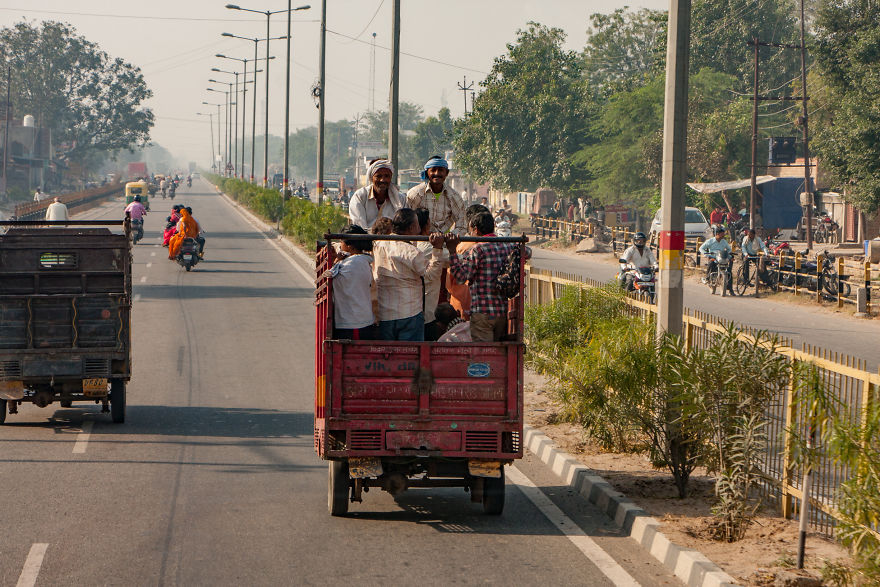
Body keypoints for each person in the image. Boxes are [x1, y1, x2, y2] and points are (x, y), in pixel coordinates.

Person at [447, 211, 526, 342]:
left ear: (475, 230)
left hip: (482, 313)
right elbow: (525, 252)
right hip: (502, 312)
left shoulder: (478, 249)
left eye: (471, 230)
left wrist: (452, 251)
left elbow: (461, 277)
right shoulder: (507, 246)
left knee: (483, 356)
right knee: (497, 356)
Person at [372, 208, 445, 341]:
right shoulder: (411, 252)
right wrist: (438, 250)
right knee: (411, 358)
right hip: (409, 314)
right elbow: (430, 275)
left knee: (388, 358)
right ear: (412, 227)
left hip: (386, 315)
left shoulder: (379, 245)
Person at [327, 225, 379, 340]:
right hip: (361, 322)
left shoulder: (351, 264)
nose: (340, 246)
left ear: (349, 246)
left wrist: (336, 260)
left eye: (341, 242)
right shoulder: (362, 262)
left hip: (353, 325)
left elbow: (329, 279)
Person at [446, 204, 490, 318]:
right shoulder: (497, 246)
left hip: (460, 303)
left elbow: (450, 281)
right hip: (487, 308)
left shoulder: (460, 247)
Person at [406, 156, 466, 234]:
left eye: (440, 170)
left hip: (444, 243)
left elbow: (462, 226)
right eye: (433, 170)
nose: (437, 173)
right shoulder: (415, 194)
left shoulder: (454, 197)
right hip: (419, 241)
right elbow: (406, 222)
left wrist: (449, 238)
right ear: (427, 172)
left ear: (446, 173)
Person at [414, 207, 448, 322]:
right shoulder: (428, 247)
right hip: (427, 309)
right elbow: (454, 259)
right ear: (427, 224)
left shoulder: (412, 245)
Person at [349, 159, 402, 230]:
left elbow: (402, 227)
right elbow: (360, 227)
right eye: (378, 176)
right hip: (365, 239)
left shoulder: (400, 199)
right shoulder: (360, 197)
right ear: (371, 178)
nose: (383, 180)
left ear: (391, 178)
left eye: (386, 176)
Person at [699, 225, 734, 290]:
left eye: (724, 234)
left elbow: (729, 249)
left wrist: (729, 254)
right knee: (711, 263)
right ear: (717, 234)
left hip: (722, 258)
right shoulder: (710, 241)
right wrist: (706, 254)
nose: (723, 235)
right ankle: (707, 278)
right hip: (713, 258)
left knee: (728, 271)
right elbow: (701, 248)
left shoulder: (724, 242)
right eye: (722, 234)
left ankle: (730, 288)